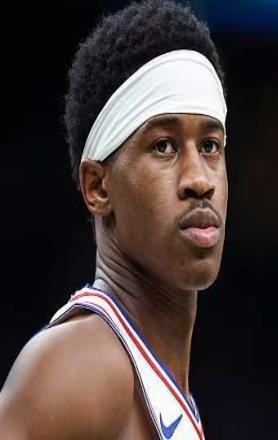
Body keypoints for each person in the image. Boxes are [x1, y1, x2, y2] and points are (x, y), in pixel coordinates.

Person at [0, 0, 227, 438]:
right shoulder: (81, 366)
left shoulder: (147, 379)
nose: (200, 180)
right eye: (163, 146)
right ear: (98, 187)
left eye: (210, 146)